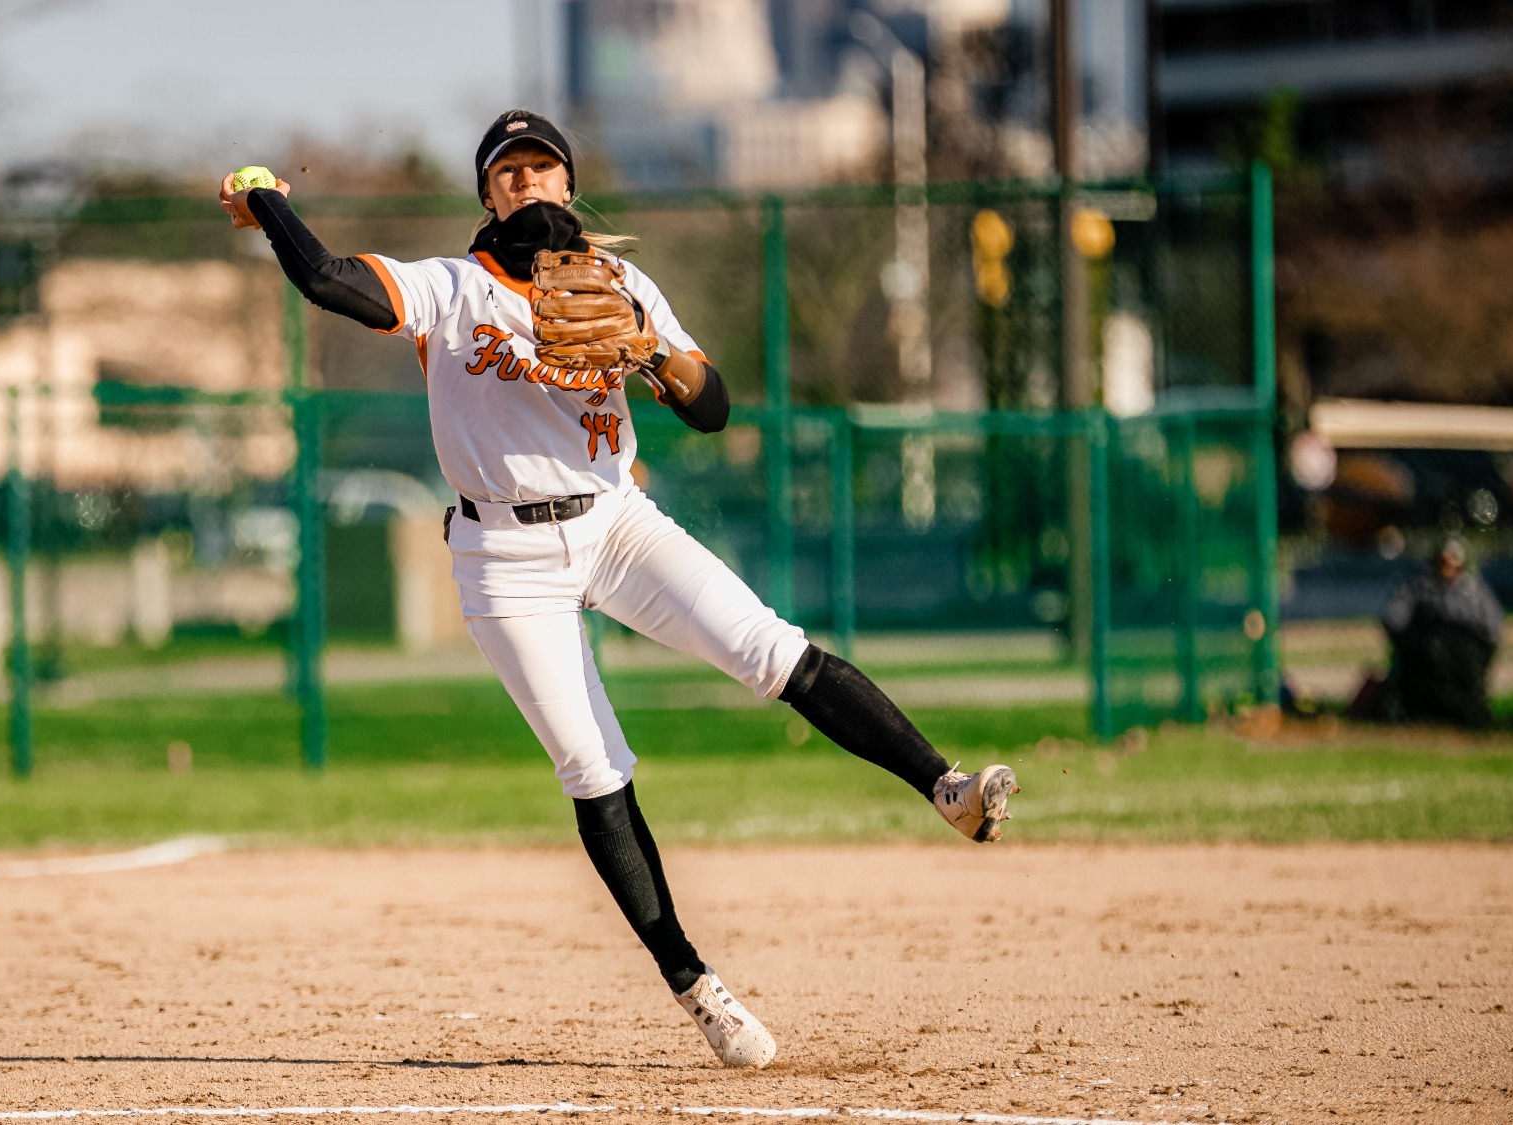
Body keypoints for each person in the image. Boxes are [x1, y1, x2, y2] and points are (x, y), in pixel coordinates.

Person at [217, 109, 1019, 1070]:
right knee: (594, 766)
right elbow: (330, 281)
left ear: (568, 184)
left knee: (772, 647)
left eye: (542, 167)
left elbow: (712, 407)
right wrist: (268, 201)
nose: (526, 182)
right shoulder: (454, 289)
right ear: (485, 194)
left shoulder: (626, 285)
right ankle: (699, 989)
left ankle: (948, 786)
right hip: (504, 560)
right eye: (507, 171)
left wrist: (649, 347)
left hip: (614, 521)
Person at [1377, 537, 1505, 728]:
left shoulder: (1475, 591)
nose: (1448, 566)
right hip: (1425, 655)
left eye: (1454, 560)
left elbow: (1492, 627)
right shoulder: (1418, 588)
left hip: (1464, 659)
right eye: (1444, 561)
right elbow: (1394, 619)